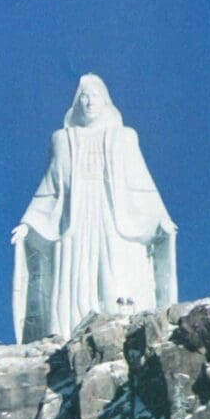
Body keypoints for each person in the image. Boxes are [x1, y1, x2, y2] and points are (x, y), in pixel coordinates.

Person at [12, 74, 177, 343]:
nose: (89, 103)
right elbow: (51, 186)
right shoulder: (63, 139)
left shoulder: (124, 137)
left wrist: (160, 218)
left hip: (114, 217)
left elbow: (140, 183)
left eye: (95, 96)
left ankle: (122, 319)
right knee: (75, 277)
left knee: (115, 269)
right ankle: (68, 332)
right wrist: (29, 222)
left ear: (106, 101)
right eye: (83, 97)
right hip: (75, 220)